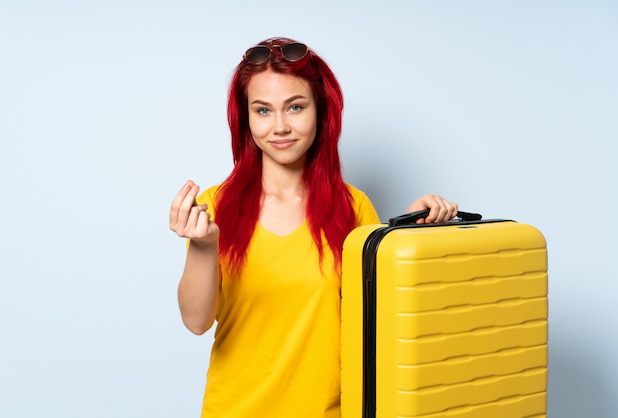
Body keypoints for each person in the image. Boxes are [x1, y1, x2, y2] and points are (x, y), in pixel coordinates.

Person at [169, 37, 458, 417]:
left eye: (295, 107)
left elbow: (381, 320)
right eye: (263, 110)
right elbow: (196, 322)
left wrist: (407, 236)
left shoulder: (353, 208)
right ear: (246, 119)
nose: (280, 126)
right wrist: (204, 246)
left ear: (321, 113)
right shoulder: (216, 205)